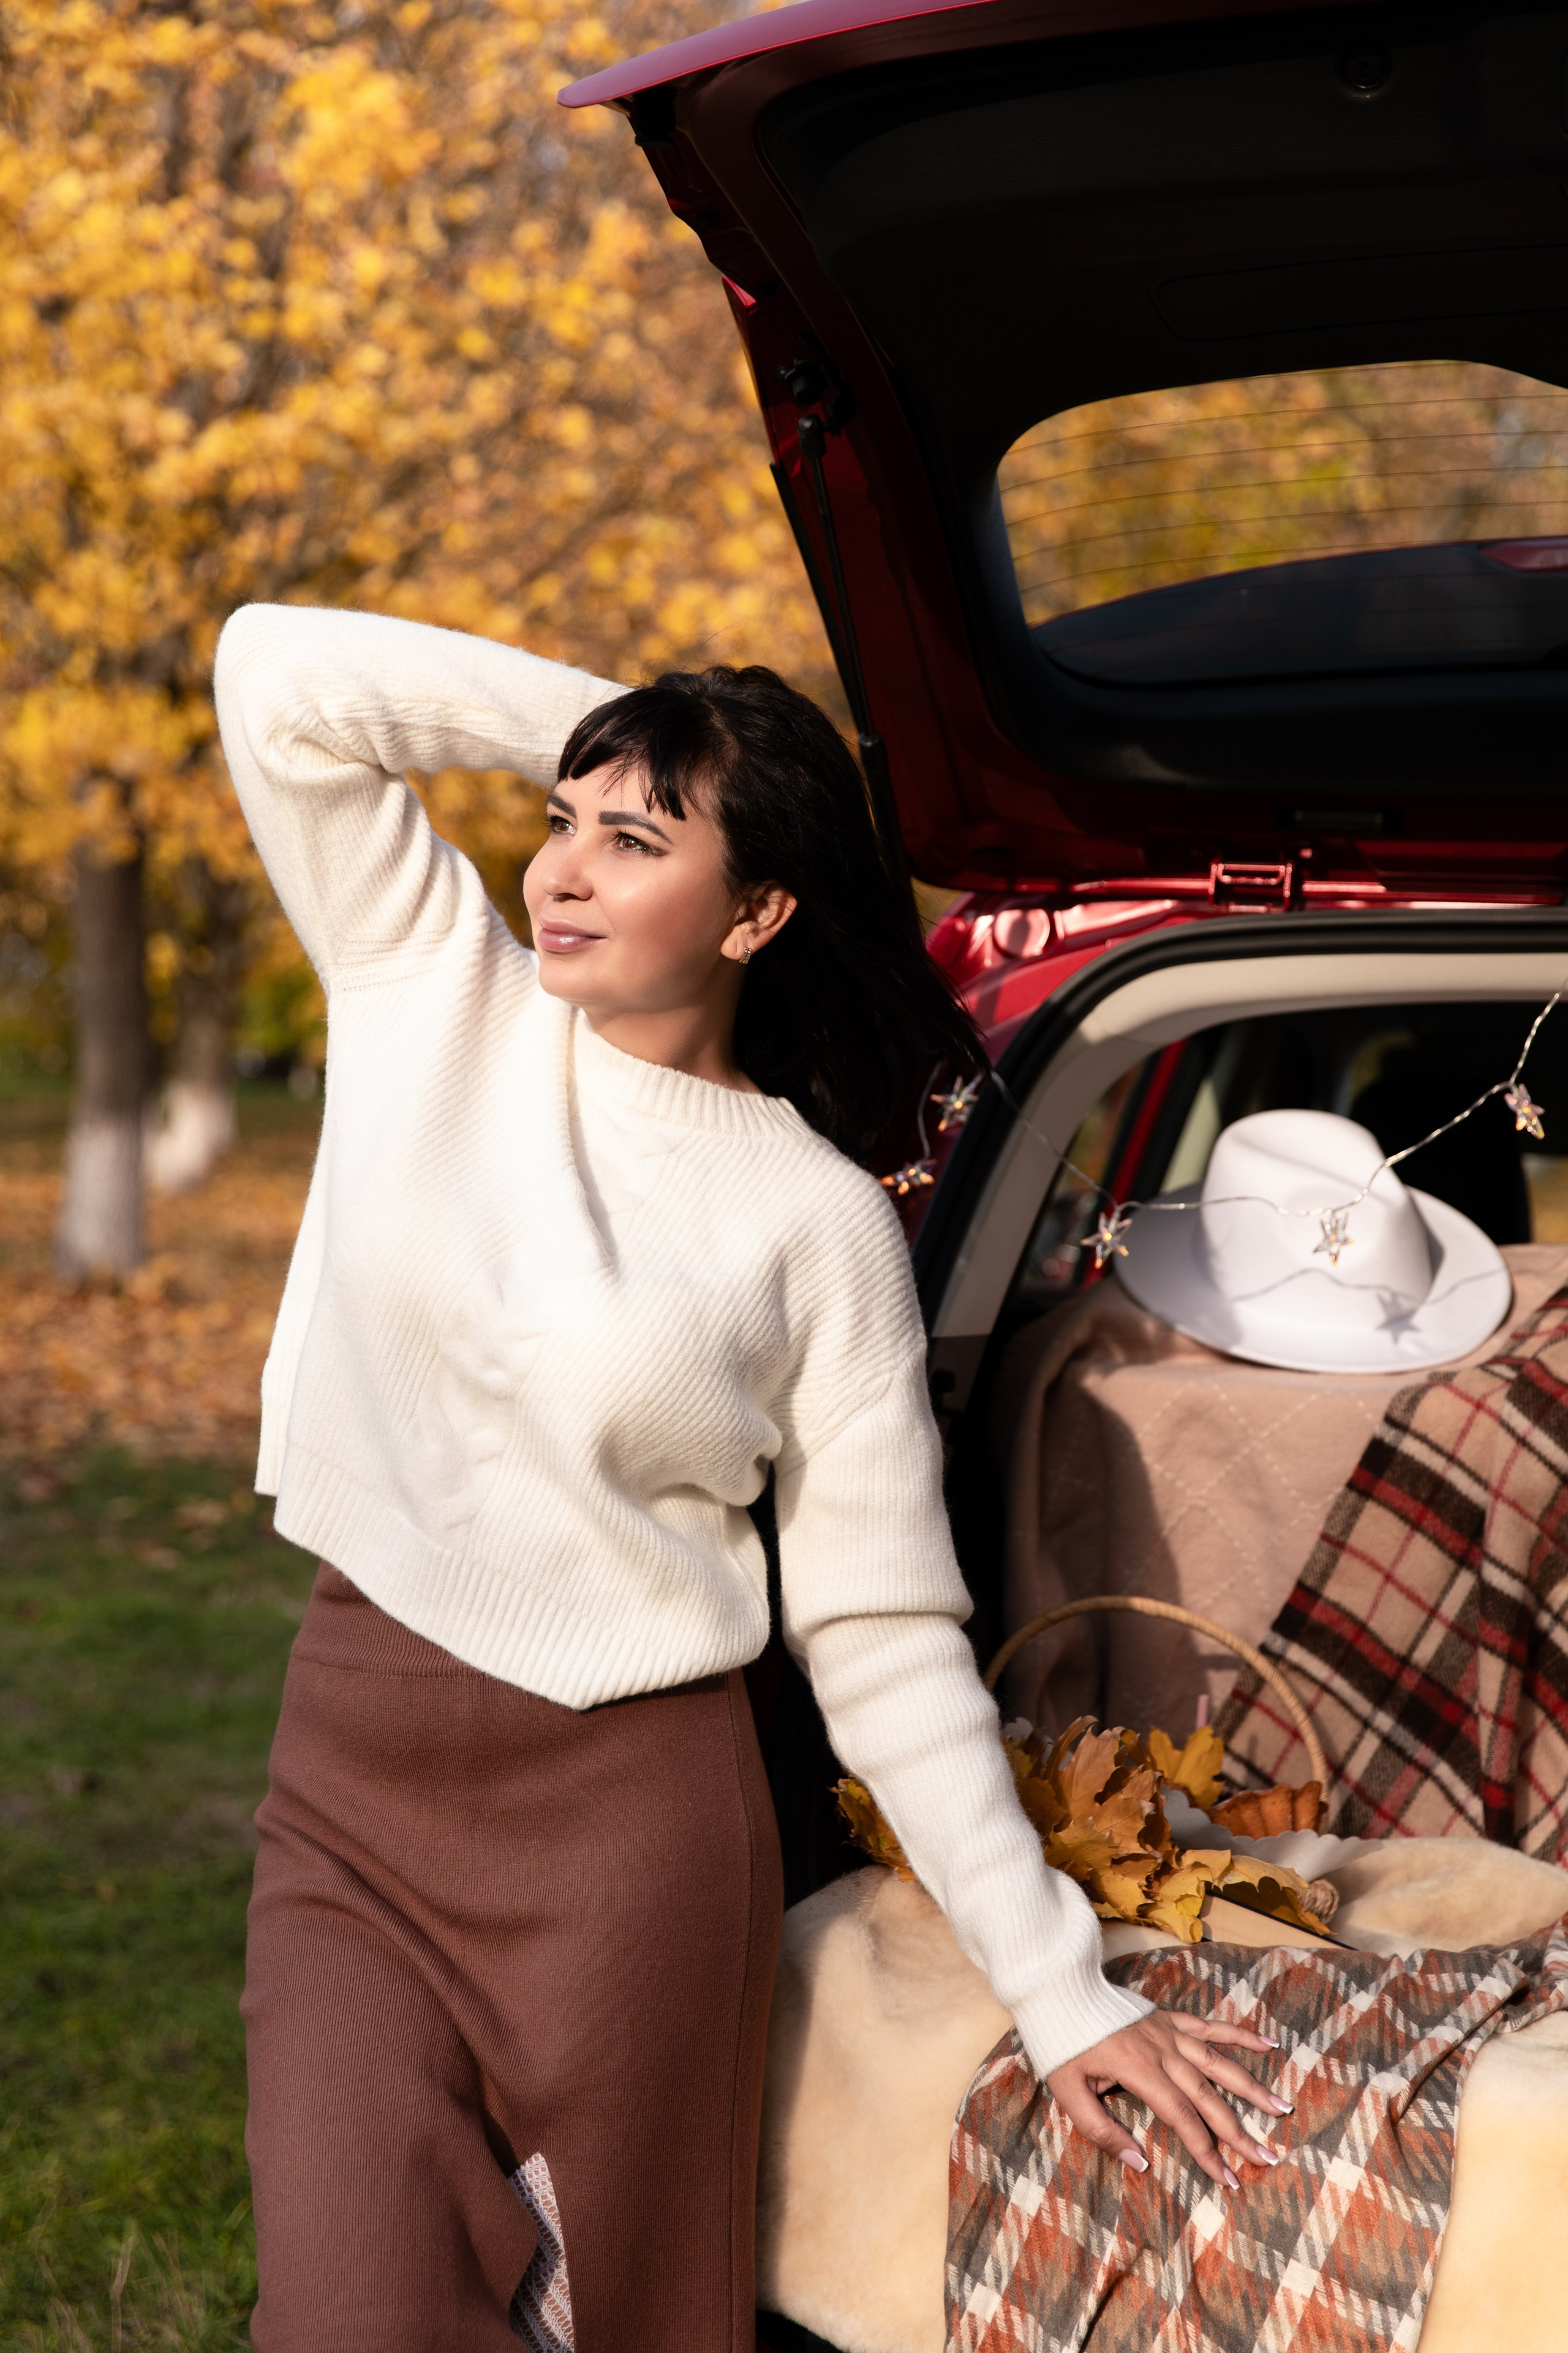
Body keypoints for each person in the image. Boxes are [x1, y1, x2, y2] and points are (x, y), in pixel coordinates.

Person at [216, 604, 1286, 2353]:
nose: (560, 871)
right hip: (357, 1772)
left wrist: (1061, 1989)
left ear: (759, 908)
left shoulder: (817, 1221)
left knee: (612, 2321)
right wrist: (641, 740)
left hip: (629, 1837)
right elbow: (275, 674)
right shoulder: (432, 990)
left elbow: (879, 1635)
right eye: (563, 822)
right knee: (350, 2303)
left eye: (633, 844)